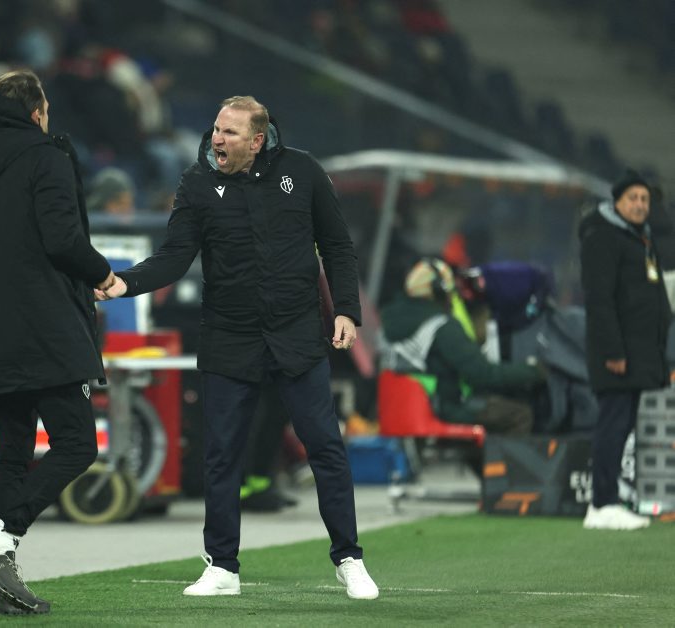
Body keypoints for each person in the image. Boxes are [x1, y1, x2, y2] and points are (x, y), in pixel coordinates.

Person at [99, 95, 378, 600]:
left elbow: (337, 245)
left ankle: (349, 559)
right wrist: (126, 283)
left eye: (229, 132)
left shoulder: (303, 172)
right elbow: (175, 256)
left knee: (325, 447)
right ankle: (222, 567)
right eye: (215, 129)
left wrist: (345, 310)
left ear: (257, 140)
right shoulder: (196, 183)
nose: (217, 139)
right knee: (222, 454)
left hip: (296, 334)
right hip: (229, 336)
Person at [0, 69, 117, 615]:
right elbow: (63, 239)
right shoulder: (47, 158)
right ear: (37, 113)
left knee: (11, 456)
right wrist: (102, 274)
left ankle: (4, 590)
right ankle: (0, 543)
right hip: (46, 326)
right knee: (78, 444)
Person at [579, 169, 670, 531]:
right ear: (616, 201)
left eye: (644, 199)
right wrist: (613, 352)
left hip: (636, 353)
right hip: (616, 355)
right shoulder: (602, 237)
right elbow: (599, 300)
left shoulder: (639, 238)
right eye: (633, 198)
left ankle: (609, 500)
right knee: (612, 426)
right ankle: (601, 504)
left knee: (621, 427)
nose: (640, 204)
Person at [379, 258, 544, 435]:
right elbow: (483, 374)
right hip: (441, 410)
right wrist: (534, 371)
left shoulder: (387, 325)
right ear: (440, 292)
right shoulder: (441, 327)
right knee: (519, 414)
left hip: (395, 414)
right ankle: (485, 455)